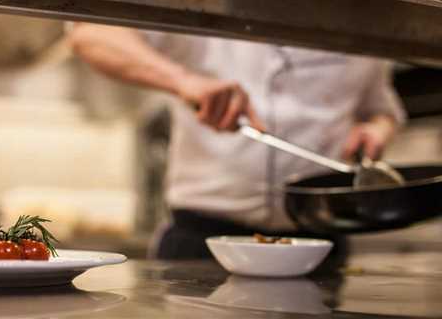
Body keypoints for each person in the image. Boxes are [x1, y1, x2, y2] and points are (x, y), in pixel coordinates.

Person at [68, 24, 405, 259]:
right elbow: (90, 34)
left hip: (321, 242)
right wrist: (184, 81)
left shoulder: (361, 16)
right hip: (204, 240)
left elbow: (381, 109)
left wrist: (376, 129)